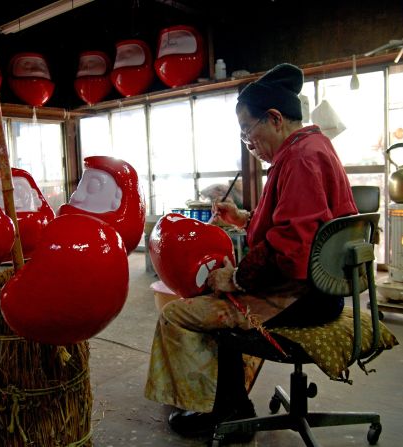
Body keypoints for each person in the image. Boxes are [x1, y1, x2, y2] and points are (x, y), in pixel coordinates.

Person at [144, 63, 358, 442]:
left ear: (274, 119)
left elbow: (292, 248)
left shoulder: (300, 159)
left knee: (180, 312)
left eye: (248, 135)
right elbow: (293, 222)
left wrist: (237, 277)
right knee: (219, 297)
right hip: (319, 288)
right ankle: (231, 405)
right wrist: (244, 218)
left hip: (306, 295)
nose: (250, 146)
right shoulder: (310, 147)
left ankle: (223, 412)